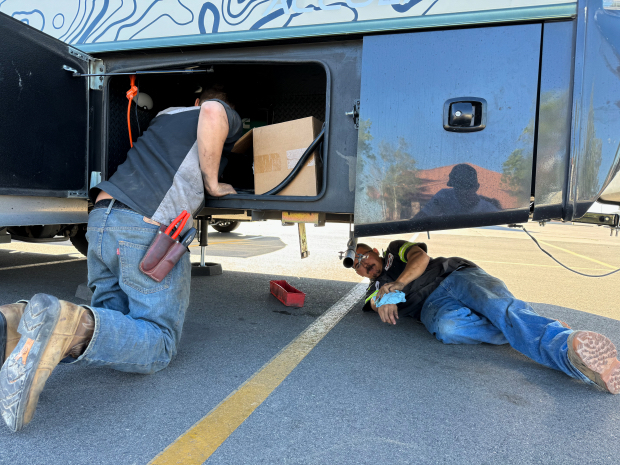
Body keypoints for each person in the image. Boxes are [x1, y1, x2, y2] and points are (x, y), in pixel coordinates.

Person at [0, 86, 243, 432]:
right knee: (160, 342)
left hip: (101, 220)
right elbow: (213, 111)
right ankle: (63, 325)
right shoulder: (221, 112)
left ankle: (18, 321)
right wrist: (214, 184)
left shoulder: (166, 115)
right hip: (146, 226)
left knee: (110, 319)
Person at [352, 240, 620, 394]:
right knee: (448, 329)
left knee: (498, 307)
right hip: (433, 306)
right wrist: (382, 298)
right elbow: (374, 304)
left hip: (455, 275)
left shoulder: (394, 249)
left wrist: (398, 285)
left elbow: (420, 257)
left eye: (363, 257)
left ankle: (566, 351)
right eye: (356, 267)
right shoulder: (373, 289)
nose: (363, 266)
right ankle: (536, 327)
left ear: (375, 250)